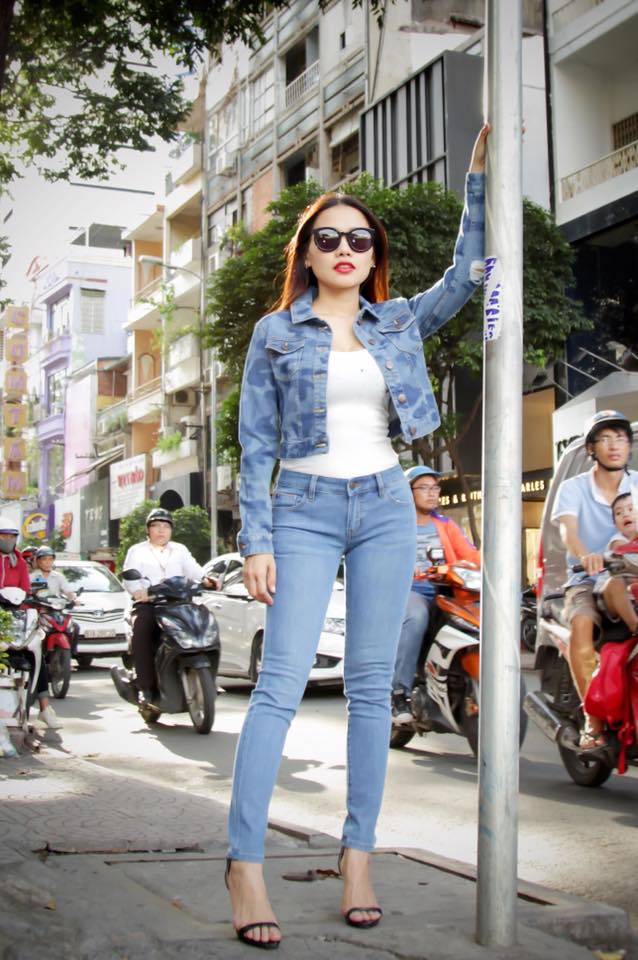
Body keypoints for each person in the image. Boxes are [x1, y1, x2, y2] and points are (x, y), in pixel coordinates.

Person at [225, 124, 489, 950]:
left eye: (360, 239)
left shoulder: (398, 320)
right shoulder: (275, 333)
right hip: (302, 506)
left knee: (372, 690)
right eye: (328, 238)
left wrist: (478, 182)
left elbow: (467, 275)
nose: (345, 249)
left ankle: (359, 855)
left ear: (374, 254)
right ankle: (244, 864)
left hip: (383, 505)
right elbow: (255, 445)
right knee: (280, 684)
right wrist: (257, 539)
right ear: (306, 254)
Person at [551, 410, 638, 750]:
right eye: (605, 439)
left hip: (633, 573)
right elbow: (567, 531)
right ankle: (594, 720)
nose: (614, 446)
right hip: (588, 578)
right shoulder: (574, 488)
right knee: (582, 625)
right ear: (591, 448)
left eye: (621, 438)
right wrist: (585, 554)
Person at [391, 466, 480, 724]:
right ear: (408, 492)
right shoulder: (396, 526)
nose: (431, 493)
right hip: (411, 591)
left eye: (435, 488)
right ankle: (398, 692)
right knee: (417, 616)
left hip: (447, 591)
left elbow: (470, 556)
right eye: (424, 488)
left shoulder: (446, 525)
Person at [122, 507, 217, 708]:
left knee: (203, 621)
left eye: (165, 526)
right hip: (150, 605)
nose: (161, 530)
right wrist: (138, 591)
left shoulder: (180, 550)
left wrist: (207, 580)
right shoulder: (137, 551)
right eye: (156, 526)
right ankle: (146, 688)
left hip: (179, 604)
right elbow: (130, 576)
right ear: (148, 530)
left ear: (171, 530)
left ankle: (208, 677)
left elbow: (194, 570)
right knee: (142, 630)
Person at [0, 519, 61, 730]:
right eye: (4, 536)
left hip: (17, 616)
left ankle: (45, 707)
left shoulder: (19, 562)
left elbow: (26, 589)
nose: (8, 540)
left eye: (12, 536)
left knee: (37, 654)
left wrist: (33, 603)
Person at [593, 492, 638, 635]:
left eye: (631, 509)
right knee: (616, 582)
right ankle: (635, 626)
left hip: (633, 595)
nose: (625, 514)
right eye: (619, 513)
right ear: (615, 524)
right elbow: (624, 554)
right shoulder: (618, 541)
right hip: (610, 596)